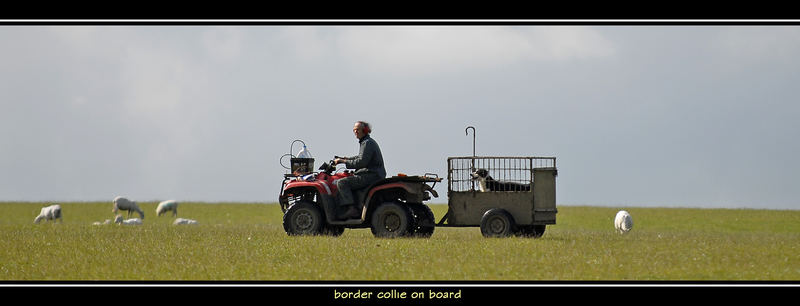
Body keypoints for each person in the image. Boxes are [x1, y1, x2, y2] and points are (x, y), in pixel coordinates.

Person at [333, 121, 386, 219]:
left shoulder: (367, 143)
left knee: (341, 183)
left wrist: (343, 162)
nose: (355, 132)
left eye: (358, 129)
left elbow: (361, 162)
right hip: (374, 174)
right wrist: (346, 159)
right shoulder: (366, 142)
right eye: (354, 130)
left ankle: (351, 209)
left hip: (371, 175)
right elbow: (360, 157)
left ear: (365, 130)